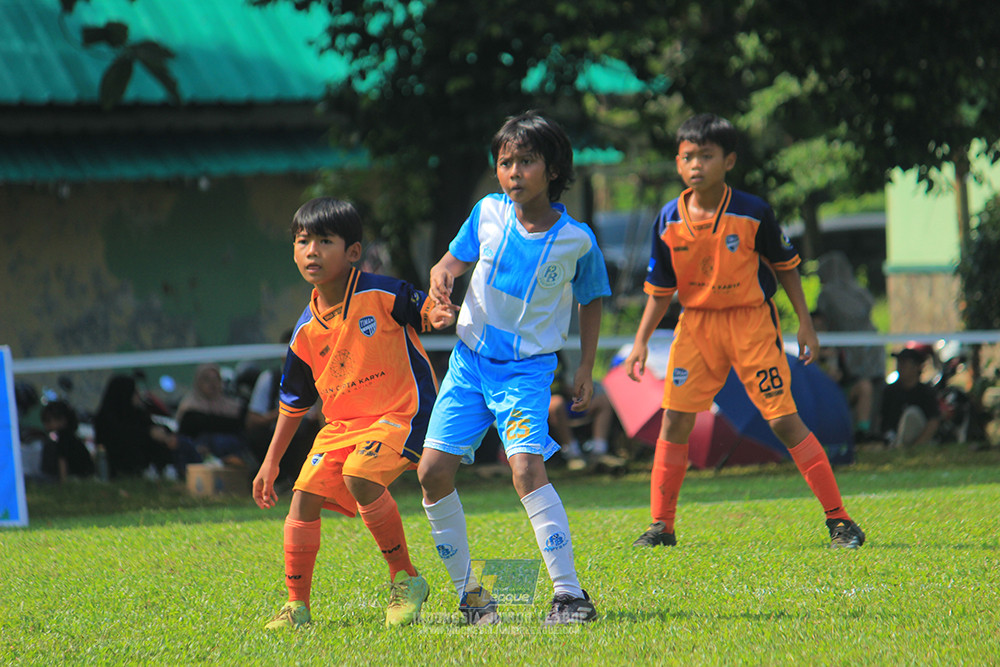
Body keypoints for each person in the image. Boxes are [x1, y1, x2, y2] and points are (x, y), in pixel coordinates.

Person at [623, 113, 865, 550]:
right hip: (695, 327)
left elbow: (787, 270)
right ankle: (662, 525)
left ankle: (841, 521)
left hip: (751, 323)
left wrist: (805, 325)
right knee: (675, 419)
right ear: (678, 163)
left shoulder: (753, 212)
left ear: (728, 161)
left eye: (707, 156)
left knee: (783, 421)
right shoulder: (667, 218)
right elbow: (661, 289)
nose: (696, 164)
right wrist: (641, 340)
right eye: (688, 156)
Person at [418, 110, 611, 626]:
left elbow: (592, 299)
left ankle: (570, 597)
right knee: (431, 473)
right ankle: (473, 600)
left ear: (552, 169)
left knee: (525, 469)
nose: (514, 172)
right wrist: (440, 290)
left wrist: (586, 367)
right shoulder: (485, 213)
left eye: (526, 161)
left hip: (526, 373)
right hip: (468, 366)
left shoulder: (578, 240)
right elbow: (447, 265)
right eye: (506, 162)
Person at [252, 197, 456, 629]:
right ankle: (296, 606)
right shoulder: (304, 330)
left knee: (359, 474)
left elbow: (422, 308)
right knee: (303, 496)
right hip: (343, 427)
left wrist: (437, 313)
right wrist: (270, 463)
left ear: (352, 252)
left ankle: (406, 578)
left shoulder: (382, 293)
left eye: (325, 241)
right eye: (302, 241)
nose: (312, 251)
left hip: (401, 414)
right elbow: (294, 405)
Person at [816, 250, 885, 438]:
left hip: (861, 357)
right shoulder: (859, 292)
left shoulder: (828, 296)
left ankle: (866, 432)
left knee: (868, 391)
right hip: (865, 355)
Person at [245, 329, 321, 486]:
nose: (293, 356)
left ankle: (305, 481)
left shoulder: (318, 376)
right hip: (275, 432)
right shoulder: (269, 378)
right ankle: (279, 480)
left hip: (306, 435)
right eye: (289, 350)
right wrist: (283, 414)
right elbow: (252, 419)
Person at [93, 374, 181, 479]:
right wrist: (148, 434)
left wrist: (164, 434)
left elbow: (150, 425)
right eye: (135, 392)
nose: (138, 396)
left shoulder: (136, 414)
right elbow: (122, 437)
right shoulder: (106, 419)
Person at [176, 364, 254, 468]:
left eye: (215, 379)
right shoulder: (189, 407)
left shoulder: (233, 407)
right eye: (207, 379)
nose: (212, 384)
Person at [881, 347, 941, 448]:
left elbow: (933, 422)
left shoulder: (926, 392)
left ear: (917, 367)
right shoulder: (890, 391)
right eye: (899, 363)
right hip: (893, 439)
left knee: (911, 414)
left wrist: (916, 445)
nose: (900, 367)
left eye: (904, 364)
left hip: (919, 439)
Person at [39, 399, 94, 481]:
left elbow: (62, 461)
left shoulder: (64, 439)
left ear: (63, 420)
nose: (46, 425)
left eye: (49, 421)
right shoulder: (71, 438)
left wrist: (63, 481)